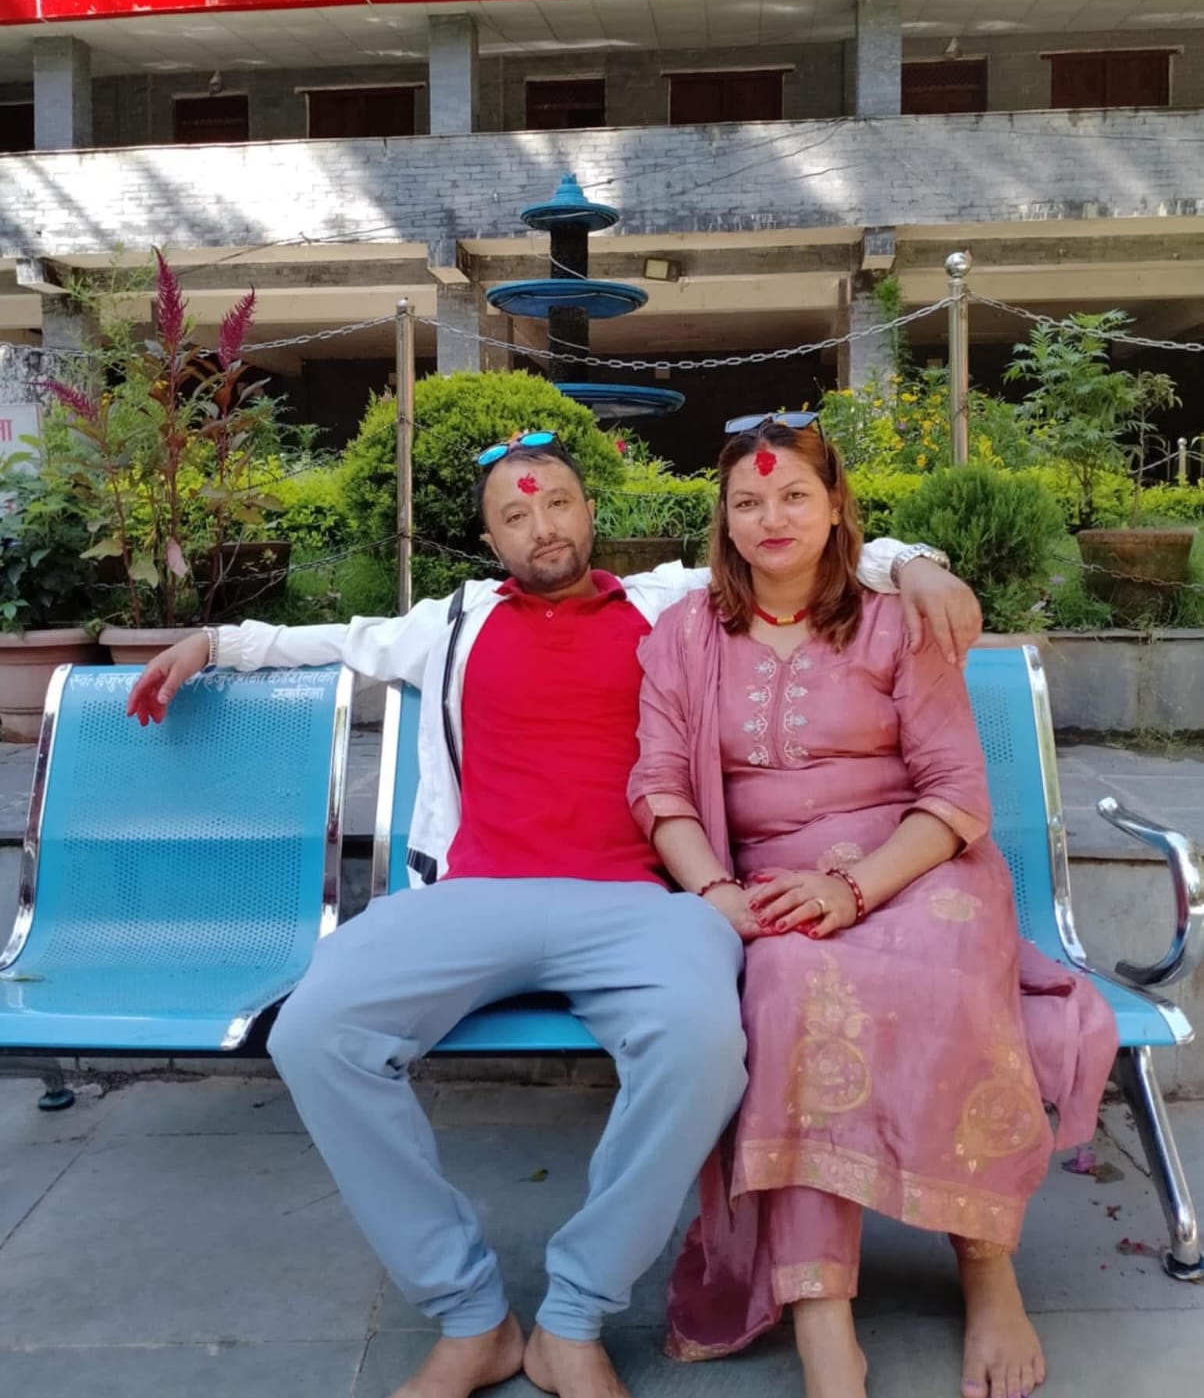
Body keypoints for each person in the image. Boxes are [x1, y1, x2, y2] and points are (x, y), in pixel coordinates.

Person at [127, 430, 981, 1398]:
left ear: (589, 510)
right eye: (516, 514)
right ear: (490, 539)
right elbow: (326, 640)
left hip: (638, 904)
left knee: (703, 1049)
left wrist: (915, 563)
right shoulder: (451, 622)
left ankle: (573, 1318)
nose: (543, 525)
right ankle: (470, 1318)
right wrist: (211, 643)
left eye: (558, 502)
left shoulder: (670, 602)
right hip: (473, 897)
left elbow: (793, 540)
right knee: (315, 1031)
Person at [627, 415, 1117, 1398]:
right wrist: (716, 893)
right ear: (723, 520)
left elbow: (956, 794)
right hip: (770, 886)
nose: (772, 517)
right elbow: (661, 788)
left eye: (794, 495)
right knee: (784, 982)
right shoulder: (683, 634)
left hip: (917, 870)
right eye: (748, 501)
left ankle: (986, 1270)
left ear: (836, 506)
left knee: (946, 968)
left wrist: (852, 887)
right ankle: (824, 1328)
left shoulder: (896, 621)